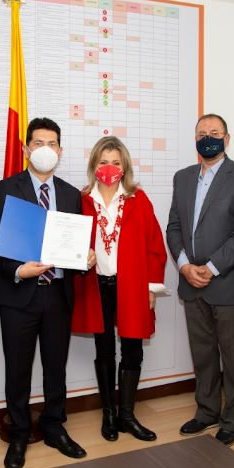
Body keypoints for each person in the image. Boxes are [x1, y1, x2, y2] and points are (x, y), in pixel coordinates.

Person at [0, 117, 95, 468]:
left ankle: (54, 426)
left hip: (58, 294)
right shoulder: (6, 188)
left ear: (60, 151)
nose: (45, 149)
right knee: (17, 369)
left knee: (55, 367)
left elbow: (75, 245)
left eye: (51, 144)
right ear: (25, 148)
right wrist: (18, 270)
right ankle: (19, 433)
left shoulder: (70, 194)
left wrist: (85, 258)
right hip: (20, 294)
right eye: (38, 143)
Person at [166, 113, 234, 446]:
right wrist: (184, 266)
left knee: (233, 358)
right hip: (191, 283)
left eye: (215, 132)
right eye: (202, 133)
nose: (208, 137)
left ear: (227, 138)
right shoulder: (183, 178)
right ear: (195, 140)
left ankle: (232, 419)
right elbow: (174, 227)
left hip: (228, 284)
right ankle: (206, 411)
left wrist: (211, 267)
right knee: (203, 354)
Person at [72, 136, 167, 442]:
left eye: (115, 162)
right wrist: (78, 255)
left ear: (124, 166)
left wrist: (151, 288)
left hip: (132, 284)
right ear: (93, 165)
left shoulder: (139, 199)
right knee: (104, 349)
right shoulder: (81, 200)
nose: (109, 168)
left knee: (132, 348)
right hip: (96, 284)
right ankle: (108, 414)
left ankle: (127, 414)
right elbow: (70, 241)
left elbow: (154, 245)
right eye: (103, 162)